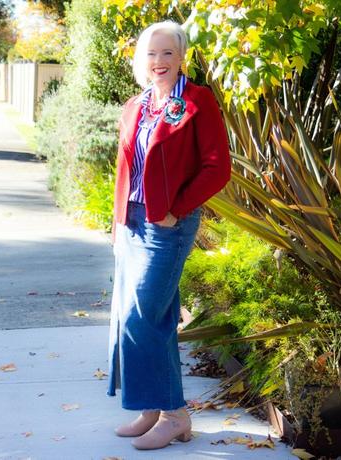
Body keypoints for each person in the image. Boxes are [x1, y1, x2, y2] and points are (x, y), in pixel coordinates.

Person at [107, 20, 231, 451]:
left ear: (181, 57)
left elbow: (218, 167)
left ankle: (175, 414)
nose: (158, 62)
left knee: (145, 317)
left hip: (167, 226)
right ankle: (151, 407)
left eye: (167, 53)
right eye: (151, 54)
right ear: (141, 60)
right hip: (132, 221)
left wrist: (177, 211)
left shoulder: (197, 102)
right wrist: (116, 220)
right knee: (133, 316)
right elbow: (125, 168)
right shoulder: (136, 105)